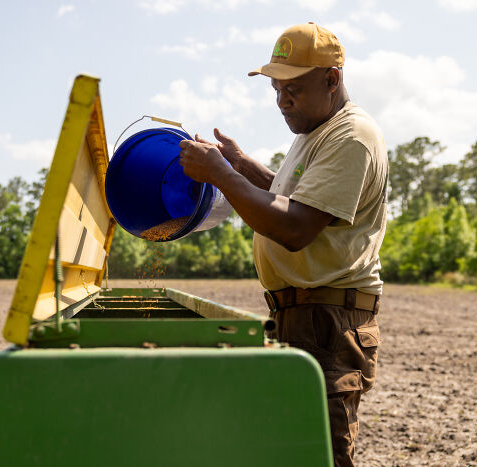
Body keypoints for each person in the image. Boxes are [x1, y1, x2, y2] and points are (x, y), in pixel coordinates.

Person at [178, 22, 387, 467]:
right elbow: (292, 196)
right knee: (293, 445)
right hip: (300, 313)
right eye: (276, 89)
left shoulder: (351, 136)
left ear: (332, 79)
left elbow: (297, 228)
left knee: (323, 451)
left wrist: (221, 174)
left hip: (329, 321)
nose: (282, 100)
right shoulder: (313, 134)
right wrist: (241, 165)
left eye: (293, 88)